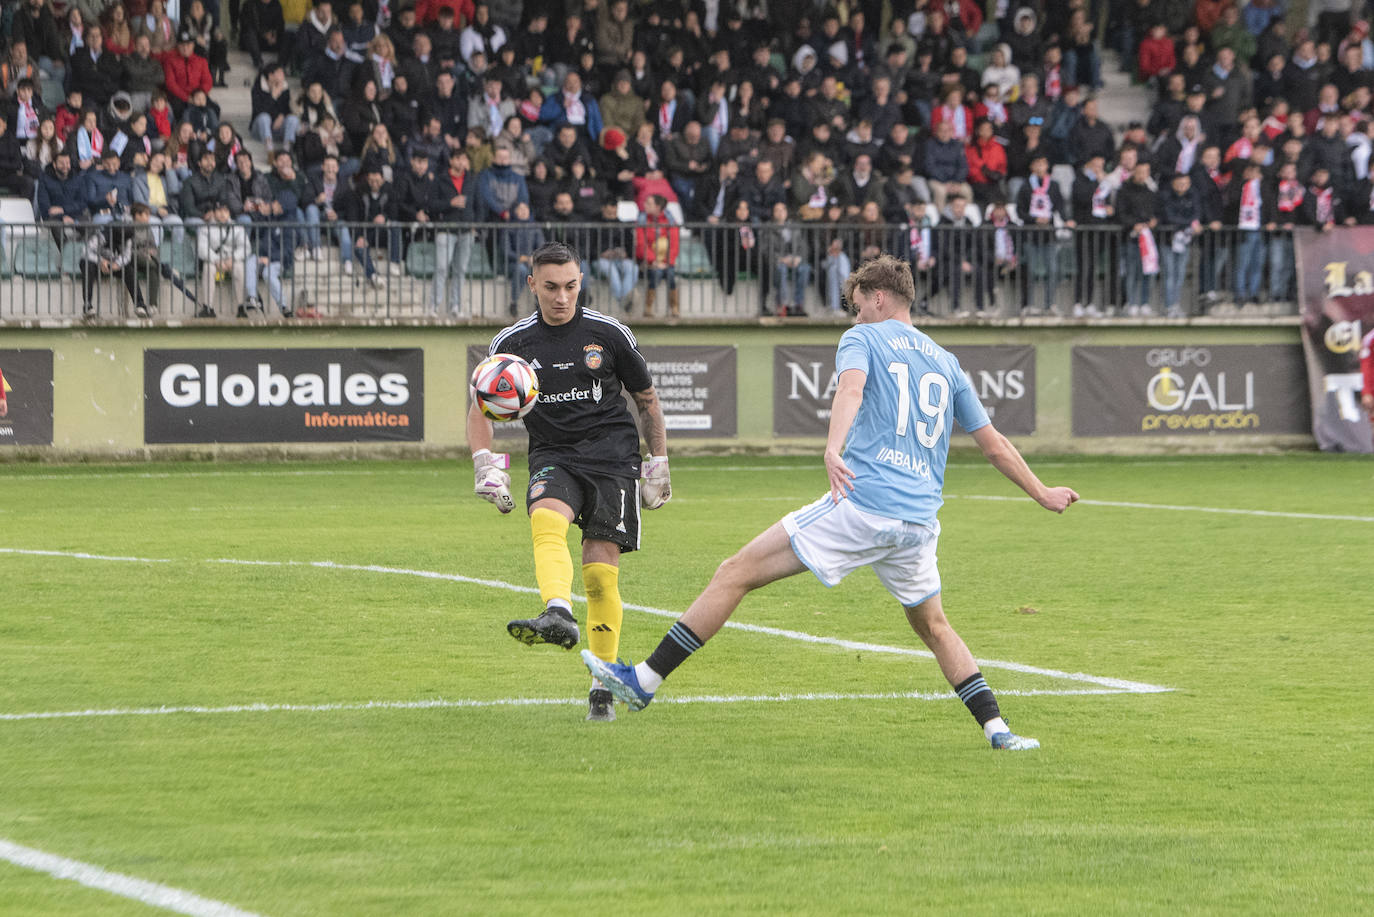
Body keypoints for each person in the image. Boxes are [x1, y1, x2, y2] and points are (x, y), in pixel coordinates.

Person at [583, 254, 1078, 747]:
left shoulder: (863, 337)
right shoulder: (946, 362)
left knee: (734, 572)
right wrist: (1042, 493)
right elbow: (993, 443)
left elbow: (852, 389)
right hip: (918, 523)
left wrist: (832, 447)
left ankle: (642, 682)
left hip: (865, 505)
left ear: (878, 298)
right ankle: (999, 730)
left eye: (859, 305)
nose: (855, 315)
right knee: (935, 625)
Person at [468, 241, 671, 722]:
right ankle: (557, 612)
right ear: (532, 284)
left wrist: (657, 462)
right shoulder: (512, 345)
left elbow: (646, 400)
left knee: (600, 575)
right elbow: (480, 407)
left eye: (571, 286)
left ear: (581, 282)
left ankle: (601, 684)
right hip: (553, 455)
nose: (562, 297)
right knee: (545, 520)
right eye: (552, 287)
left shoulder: (610, 334)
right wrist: (484, 463)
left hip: (613, 459)